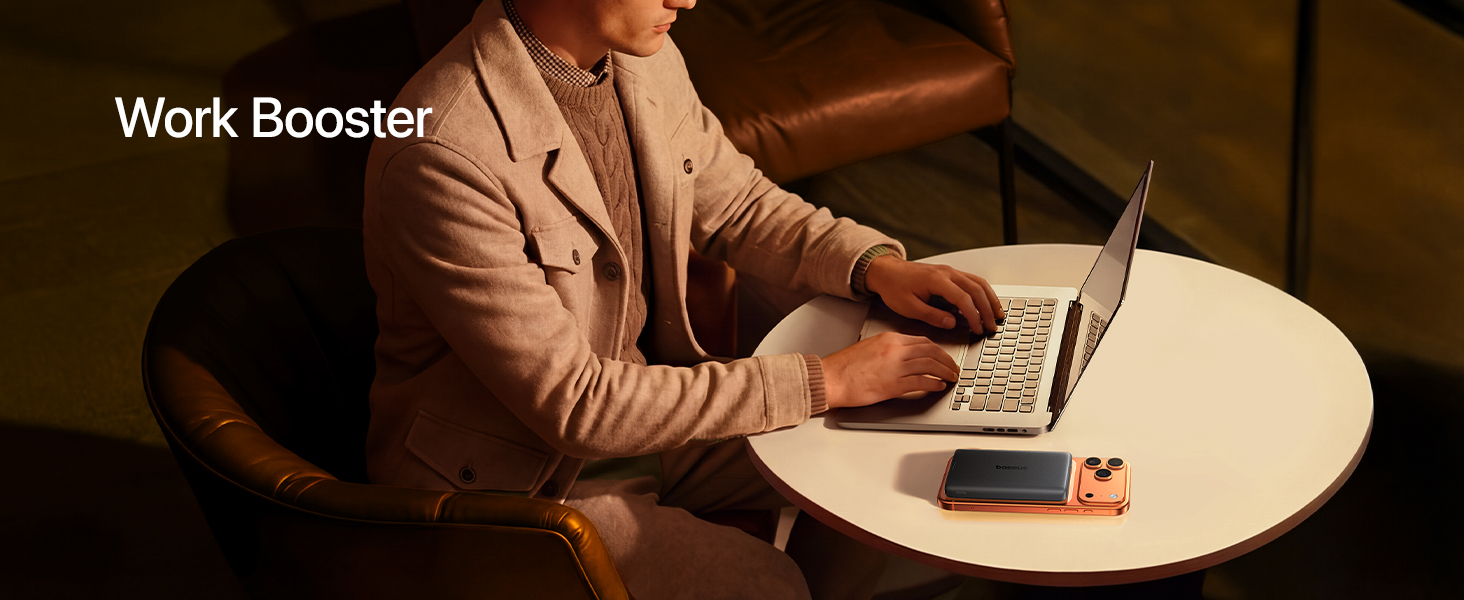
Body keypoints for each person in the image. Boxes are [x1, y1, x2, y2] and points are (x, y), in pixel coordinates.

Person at [361, 0, 1006, 598]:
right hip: (521, 485)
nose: (688, 0)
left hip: (650, 417)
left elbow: (737, 205)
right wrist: (824, 381)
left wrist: (873, 266)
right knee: (769, 587)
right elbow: (578, 405)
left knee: (880, 456)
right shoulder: (443, 153)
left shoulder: (641, 55)